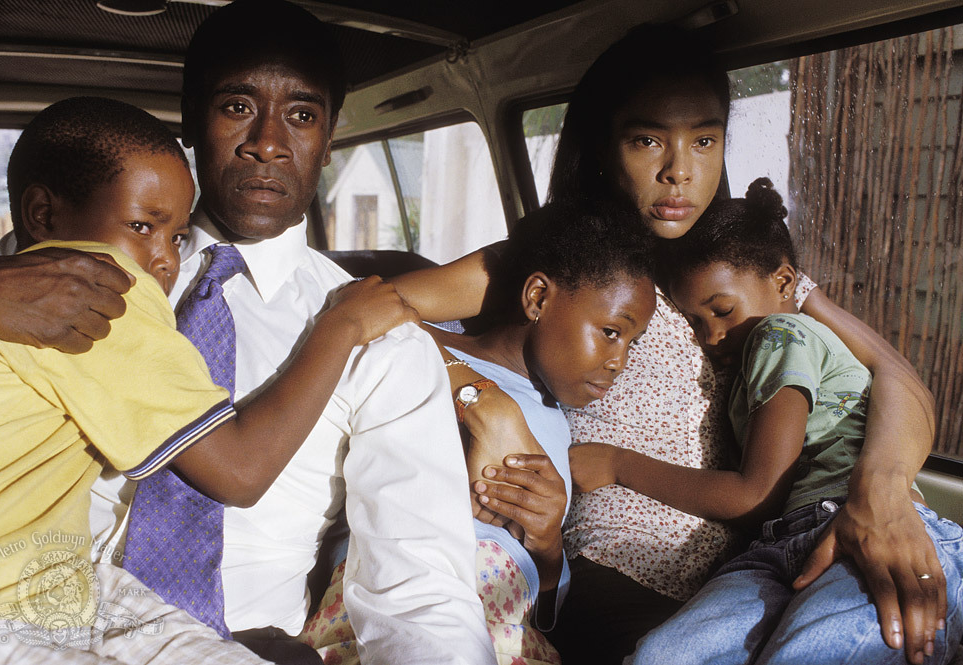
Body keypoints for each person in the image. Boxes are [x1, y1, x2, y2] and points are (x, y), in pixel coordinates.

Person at [0, 2, 496, 665]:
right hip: (15, 612)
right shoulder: (60, 270)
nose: (267, 142)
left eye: (301, 116)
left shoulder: (382, 343)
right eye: (237, 107)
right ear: (191, 118)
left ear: (329, 139)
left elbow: (420, 590)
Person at [389, 23, 941, 663]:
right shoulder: (564, 260)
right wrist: (483, 399)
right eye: (647, 140)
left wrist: (881, 492)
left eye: (704, 140)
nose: (680, 171)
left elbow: (898, 380)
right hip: (613, 566)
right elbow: (372, 311)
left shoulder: (739, 267)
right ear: (604, 147)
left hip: (743, 573)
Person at [600, 178, 963, 665]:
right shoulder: (747, 371)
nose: (711, 336)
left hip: (864, 526)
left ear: (786, 283)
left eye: (722, 310)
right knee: (659, 656)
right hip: (776, 548)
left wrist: (615, 464)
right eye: (695, 323)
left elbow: (756, 493)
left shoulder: (779, 332)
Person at [299, 203, 657, 664]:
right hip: (388, 594)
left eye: (632, 342)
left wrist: (548, 545)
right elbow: (356, 314)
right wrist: (481, 402)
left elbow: (543, 608)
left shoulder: (558, 418)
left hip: (507, 625)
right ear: (538, 298)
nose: (619, 362)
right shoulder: (418, 342)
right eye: (610, 332)